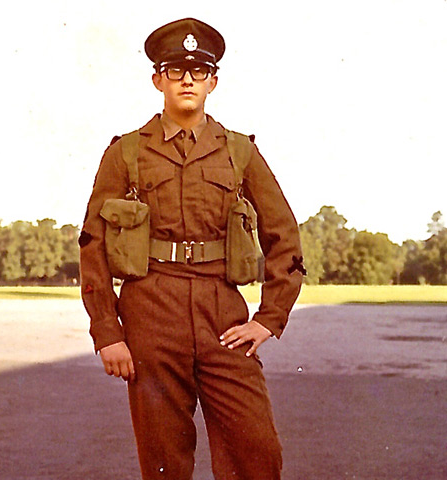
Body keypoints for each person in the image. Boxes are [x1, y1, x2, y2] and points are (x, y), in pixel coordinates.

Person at [79, 17, 305, 480]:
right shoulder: (125, 153)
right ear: (157, 79)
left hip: (222, 313)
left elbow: (284, 237)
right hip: (150, 314)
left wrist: (269, 319)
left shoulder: (240, 152)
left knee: (257, 455)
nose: (187, 79)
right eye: (175, 70)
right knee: (164, 461)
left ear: (213, 82)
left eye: (198, 71)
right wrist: (108, 330)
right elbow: (93, 245)